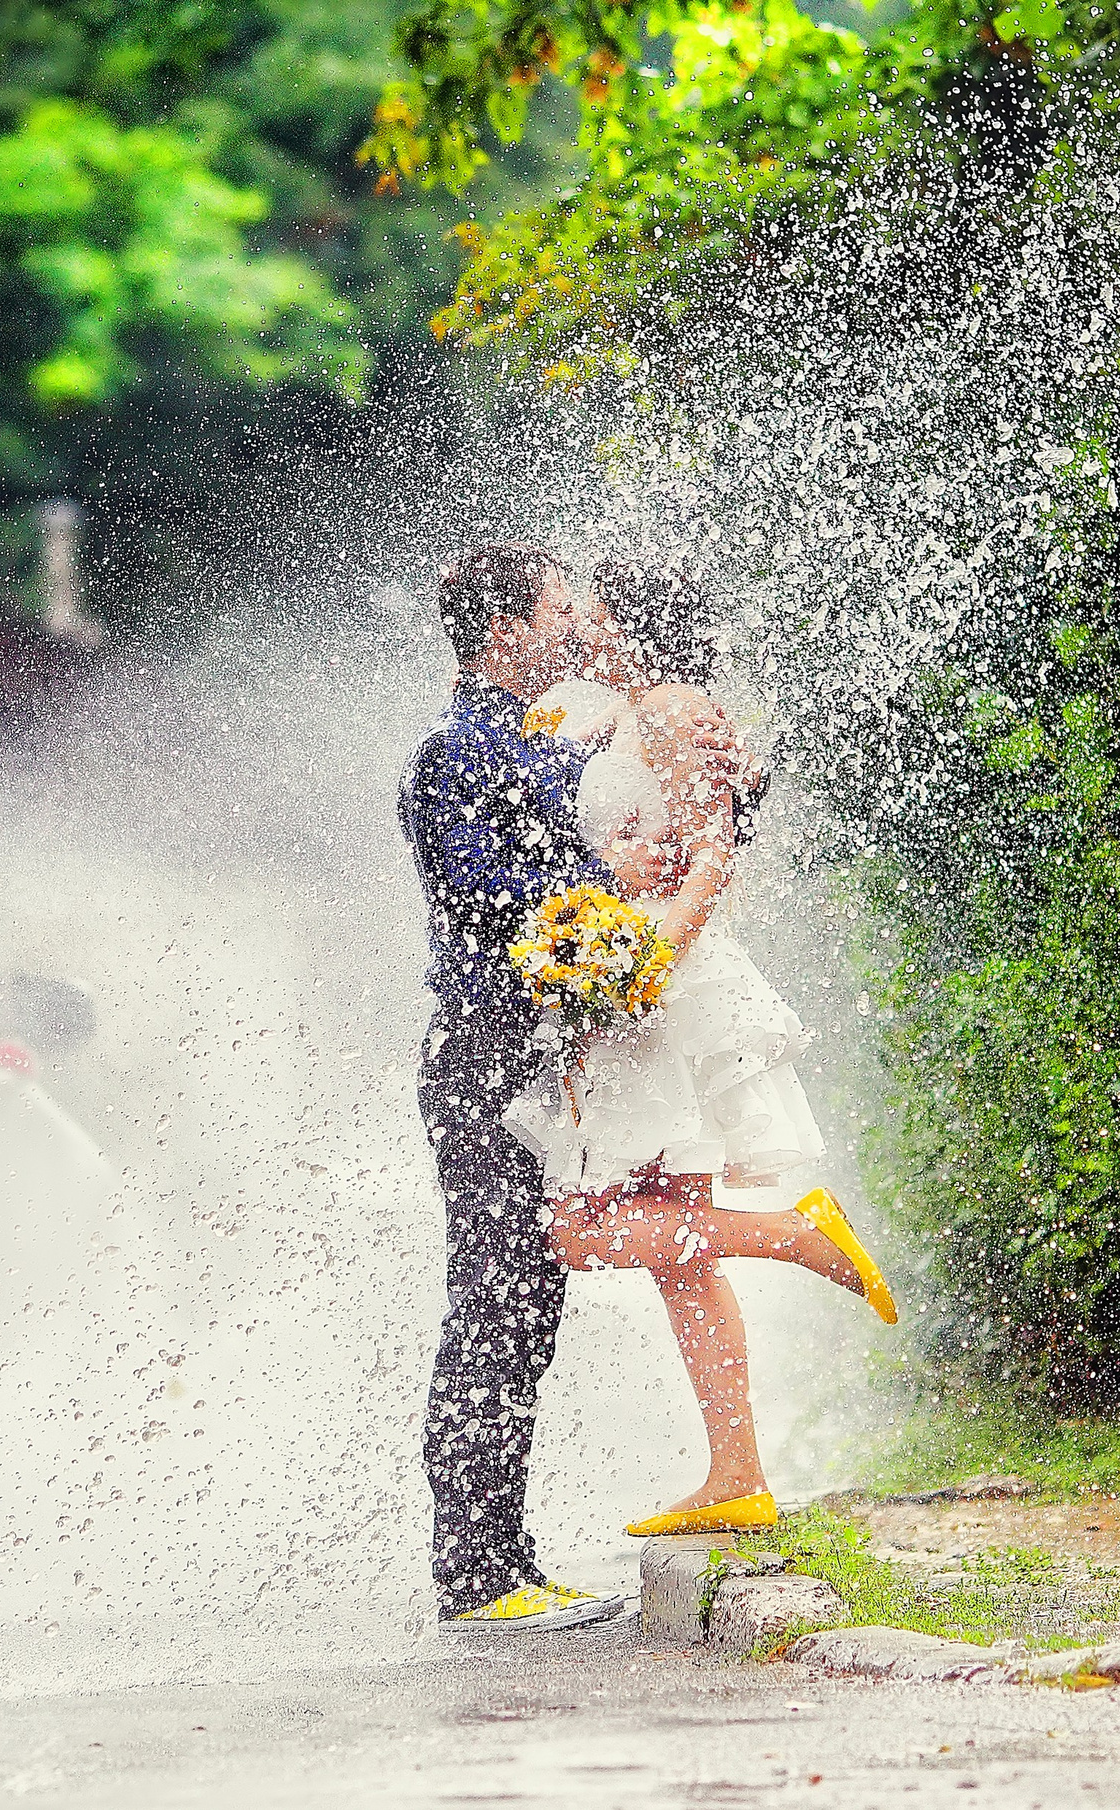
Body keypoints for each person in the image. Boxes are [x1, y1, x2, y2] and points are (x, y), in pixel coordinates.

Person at [503, 557, 897, 1538]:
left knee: (578, 1227)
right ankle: (738, 1474)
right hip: (638, 973)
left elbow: (712, 854)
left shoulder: (674, 708)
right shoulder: (624, 708)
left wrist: (643, 960)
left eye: (592, 612)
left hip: (666, 987)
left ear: (633, 624)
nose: (579, 627)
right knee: (679, 1251)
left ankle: (797, 1236)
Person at [398, 543, 752, 1630]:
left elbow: (625, 785)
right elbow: (479, 892)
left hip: (548, 1053)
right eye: (556, 608)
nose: (572, 623)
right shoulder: (451, 751)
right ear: (504, 629)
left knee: (530, 1302)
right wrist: (602, 878)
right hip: (480, 1053)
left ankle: (510, 1560)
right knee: (493, 1299)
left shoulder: (544, 731)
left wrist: (695, 750)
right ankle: (476, 1574)